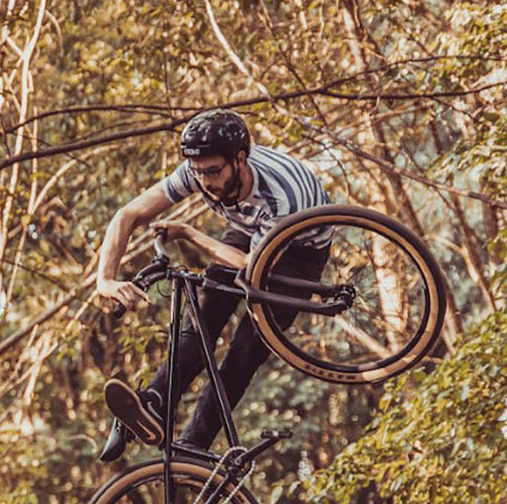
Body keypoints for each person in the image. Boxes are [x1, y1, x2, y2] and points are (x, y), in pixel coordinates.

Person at [95, 108, 332, 462]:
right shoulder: (199, 170)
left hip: (299, 247)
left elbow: (251, 266)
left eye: (213, 172)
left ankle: (195, 443)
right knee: (202, 319)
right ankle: (155, 403)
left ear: (240, 160)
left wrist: (189, 233)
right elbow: (128, 214)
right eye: (198, 172)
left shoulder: (280, 198)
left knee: (247, 348)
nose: (205, 181)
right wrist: (106, 279)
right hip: (250, 231)